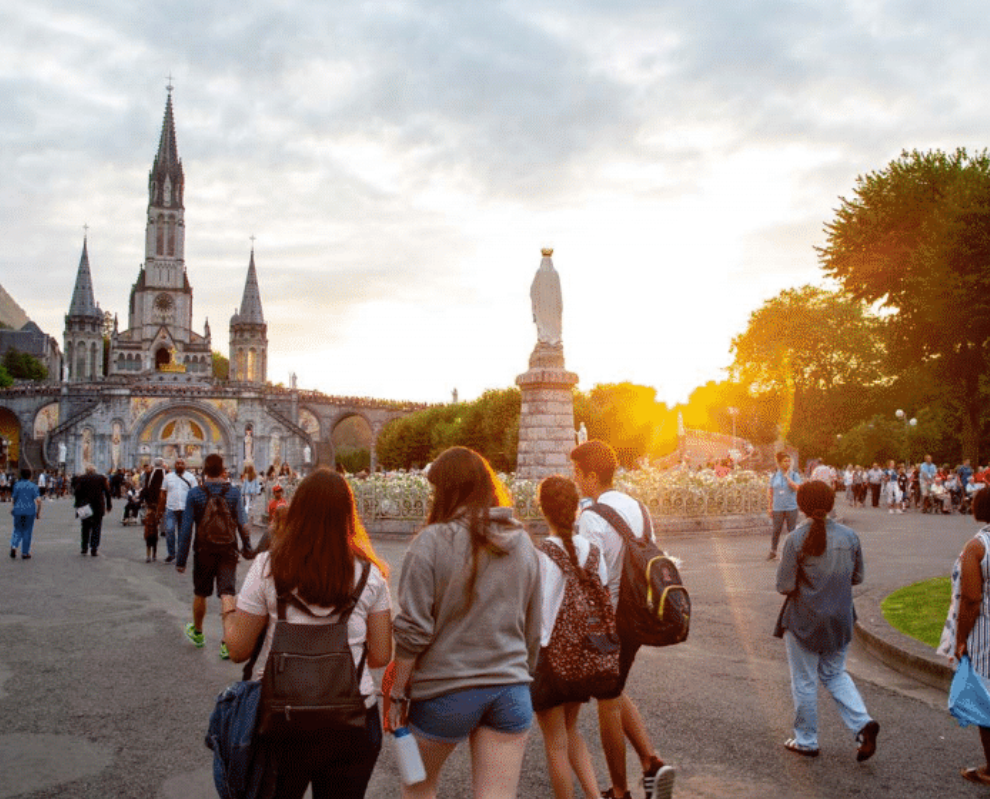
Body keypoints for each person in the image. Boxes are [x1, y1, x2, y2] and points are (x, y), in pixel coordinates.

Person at [223, 468, 392, 799]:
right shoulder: (371, 576)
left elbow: (238, 649)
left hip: (279, 717)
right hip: (352, 717)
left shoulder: (268, 567)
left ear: (297, 510)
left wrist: (228, 607)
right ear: (348, 514)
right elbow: (381, 656)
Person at [389, 446, 541, 799]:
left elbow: (413, 630)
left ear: (446, 491)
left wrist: (398, 692)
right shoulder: (524, 546)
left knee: (419, 788)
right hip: (510, 688)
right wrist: (521, 672)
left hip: (446, 690)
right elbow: (534, 627)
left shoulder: (430, 543)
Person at [571, 440, 674, 799]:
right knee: (612, 688)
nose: (576, 481)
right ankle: (650, 762)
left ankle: (619, 789)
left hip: (609, 619)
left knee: (608, 700)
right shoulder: (639, 507)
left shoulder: (591, 517)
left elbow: (590, 578)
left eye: (577, 474)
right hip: (639, 613)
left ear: (591, 475)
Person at [775, 480, 879, 760]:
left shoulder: (796, 539)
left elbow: (784, 585)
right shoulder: (849, 536)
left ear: (802, 505)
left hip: (805, 619)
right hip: (841, 617)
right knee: (835, 673)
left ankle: (806, 740)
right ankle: (862, 723)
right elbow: (858, 577)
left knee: (805, 680)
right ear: (832, 503)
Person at [532, 475, 609, 799]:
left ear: (543, 510)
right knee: (571, 730)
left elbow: (534, 613)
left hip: (550, 658)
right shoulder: (592, 551)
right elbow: (604, 596)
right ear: (577, 510)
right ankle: (593, 795)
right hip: (584, 654)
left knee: (555, 742)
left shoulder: (540, 555)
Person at [175, 453, 252, 659]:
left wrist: (181, 559)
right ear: (223, 469)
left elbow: (185, 530)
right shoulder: (234, 493)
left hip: (203, 550)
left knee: (201, 592)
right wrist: (247, 547)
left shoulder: (195, 494)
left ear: (204, 470)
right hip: (228, 549)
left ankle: (199, 633)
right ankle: (226, 642)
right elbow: (243, 524)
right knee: (227, 592)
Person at [938, 487, 990, 785]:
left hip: (985, 634)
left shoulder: (978, 546)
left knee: (986, 699)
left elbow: (971, 598)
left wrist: (960, 639)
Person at [767, 452, 802, 561]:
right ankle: (773, 551)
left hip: (791, 507)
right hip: (778, 507)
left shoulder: (794, 475)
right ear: (779, 463)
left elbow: (798, 488)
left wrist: (788, 479)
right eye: (785, 461)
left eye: (789, 461)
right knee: (776, 530)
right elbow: (770, 491)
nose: (788, 463)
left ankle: (793, 552)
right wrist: (769, 507)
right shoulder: (774, 475)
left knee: (792, 530)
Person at [161, 458, 196, 563]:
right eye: (178, 463)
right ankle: (171, 553)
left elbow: (195, 493)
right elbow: (162, 492)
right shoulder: (168, 477)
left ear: (185, 466)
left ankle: (181, 554)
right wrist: (160, 508)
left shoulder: (191, 477)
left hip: (186, 509)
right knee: (170, 531)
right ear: (174, 465)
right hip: (171, 508)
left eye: (182, 463)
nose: (180, 465)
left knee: (183, 533)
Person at [74, 464, 112, 556]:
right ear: (95, 471)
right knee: (96, 527)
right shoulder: (101, 478)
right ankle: (94, 549)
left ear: (86, 470)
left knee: (85, 527)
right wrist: (109, 505)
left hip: (84, 506)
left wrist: (77, 505)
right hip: (98, 506)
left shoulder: (81, 478)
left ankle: (84, 548)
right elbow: (107, 492)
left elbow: (77, 493)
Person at [9, 468, 41, 560]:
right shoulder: (33, 486)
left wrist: (12, 508)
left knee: (17, 529)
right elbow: (38, 500)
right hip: (29, 511)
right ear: (30, 476)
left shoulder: (16, 485)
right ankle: (25, 553)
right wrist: (38, 512)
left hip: (18, 510)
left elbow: (13, 499)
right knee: (27, 531)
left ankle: (14, 546)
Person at [142, 459, 166, 563]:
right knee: (156, 529)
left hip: (151, 505)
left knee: (149, 529)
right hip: (163, 506)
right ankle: (155, 554)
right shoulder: (167, 474)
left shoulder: (149, 474)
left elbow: (146, 489)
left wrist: (144, 501)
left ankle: (149, 554)